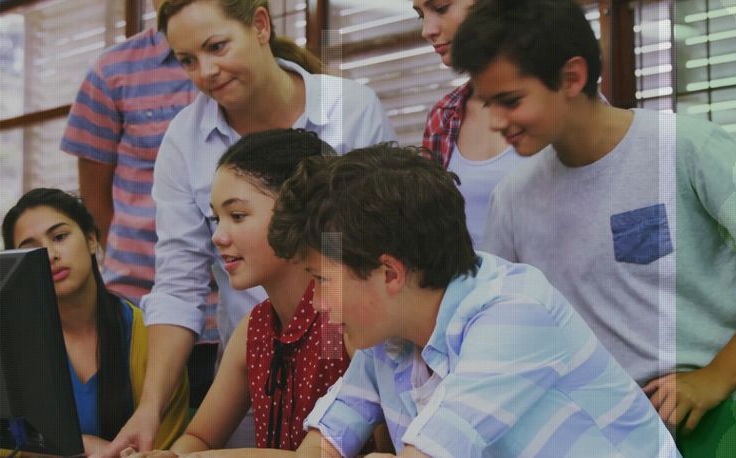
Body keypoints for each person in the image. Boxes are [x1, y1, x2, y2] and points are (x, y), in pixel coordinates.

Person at [455, 0, 736, 432]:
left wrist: (716, 378)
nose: (496, 122)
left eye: (511, 101)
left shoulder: (686, 146)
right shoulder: (513, 198)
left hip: (720, 424)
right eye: (487, 103)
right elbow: (508, 326)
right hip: (600, 434)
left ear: (571, 77)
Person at [100, 0, 396, 456]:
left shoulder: (352, 109)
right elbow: (178, 283)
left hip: (350, 343)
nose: (205, 72)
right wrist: (150, 411)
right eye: (187, 60)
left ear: (260, 26)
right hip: (260, 362)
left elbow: (383, 246)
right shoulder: (184, 139)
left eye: (217, 47)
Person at [265, 145, 675, 458]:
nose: (317, 302)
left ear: (389, 273)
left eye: (321, 280)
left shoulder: (514, 314)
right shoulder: (391, 336)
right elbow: (322, 445)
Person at [61, 0, 237, 301]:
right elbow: (94, 194)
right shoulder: (112, 72)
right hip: (141, 297)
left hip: (241, 302)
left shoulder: (257, 65)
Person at [135, 130, 350, 457]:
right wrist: (173, 454)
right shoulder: (255, 328)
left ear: (300, 215)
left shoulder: (345, 321)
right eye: (215, 218)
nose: (218, 236)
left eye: (237, 216)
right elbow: (200, 438)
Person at [1, 188, 189, 455]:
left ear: (91, 239)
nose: (50, 255)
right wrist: (83, 447)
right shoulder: (14, 346)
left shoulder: (152, 336)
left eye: (60, 237)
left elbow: (165, 446)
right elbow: (2, 445)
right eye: (31, 249)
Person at [408, 0, 532, 244]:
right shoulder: (443, 117)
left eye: (440, 8)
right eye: (421, 14)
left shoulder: (566, 100)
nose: (427, 30)